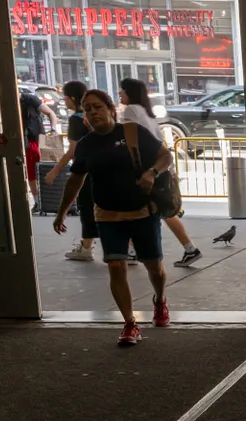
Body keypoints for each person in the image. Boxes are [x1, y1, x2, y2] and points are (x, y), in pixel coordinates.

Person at [51, 90, 173, 346]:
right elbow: (75, 180)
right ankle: (130, 323)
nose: (92, 112)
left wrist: (151, 172)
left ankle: (160, 300)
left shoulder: (132, 132)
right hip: (107, 215)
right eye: (87, 109)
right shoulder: (86, 145)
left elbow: (166, 156)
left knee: (155, 267)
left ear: (110, 109)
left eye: (97, 107)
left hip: (142, 212)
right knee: (116, 266)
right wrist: (61, 211)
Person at [120, 78, 203, 266]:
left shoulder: (131, 111)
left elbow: (129, 142)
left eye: (122, 91)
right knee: (163, 212)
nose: (120, 94)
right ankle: (189, 249)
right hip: (159, 168)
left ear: (130, 93)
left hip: (147, 170)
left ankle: (138, 251)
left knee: (138, 211)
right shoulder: (146, 113)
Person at [47, 81, 97, 261]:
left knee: (87, 207)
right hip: (100, 167)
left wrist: (55, 170)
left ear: (73, 98)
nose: (64, 101)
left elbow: (72, 150)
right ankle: (86, 247)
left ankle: (87, 248)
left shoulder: (76, 120)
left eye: (65, 98)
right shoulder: (91, 115)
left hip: (84, 169)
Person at [19, 87, 59, 214]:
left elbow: (51, 114)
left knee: (44, 170)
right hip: (24, 142)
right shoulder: (7, 104)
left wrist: (53, 129)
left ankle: (51, 200)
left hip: (37, 140)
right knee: (31, 173)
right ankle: (37, 202)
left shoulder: (29, 99)